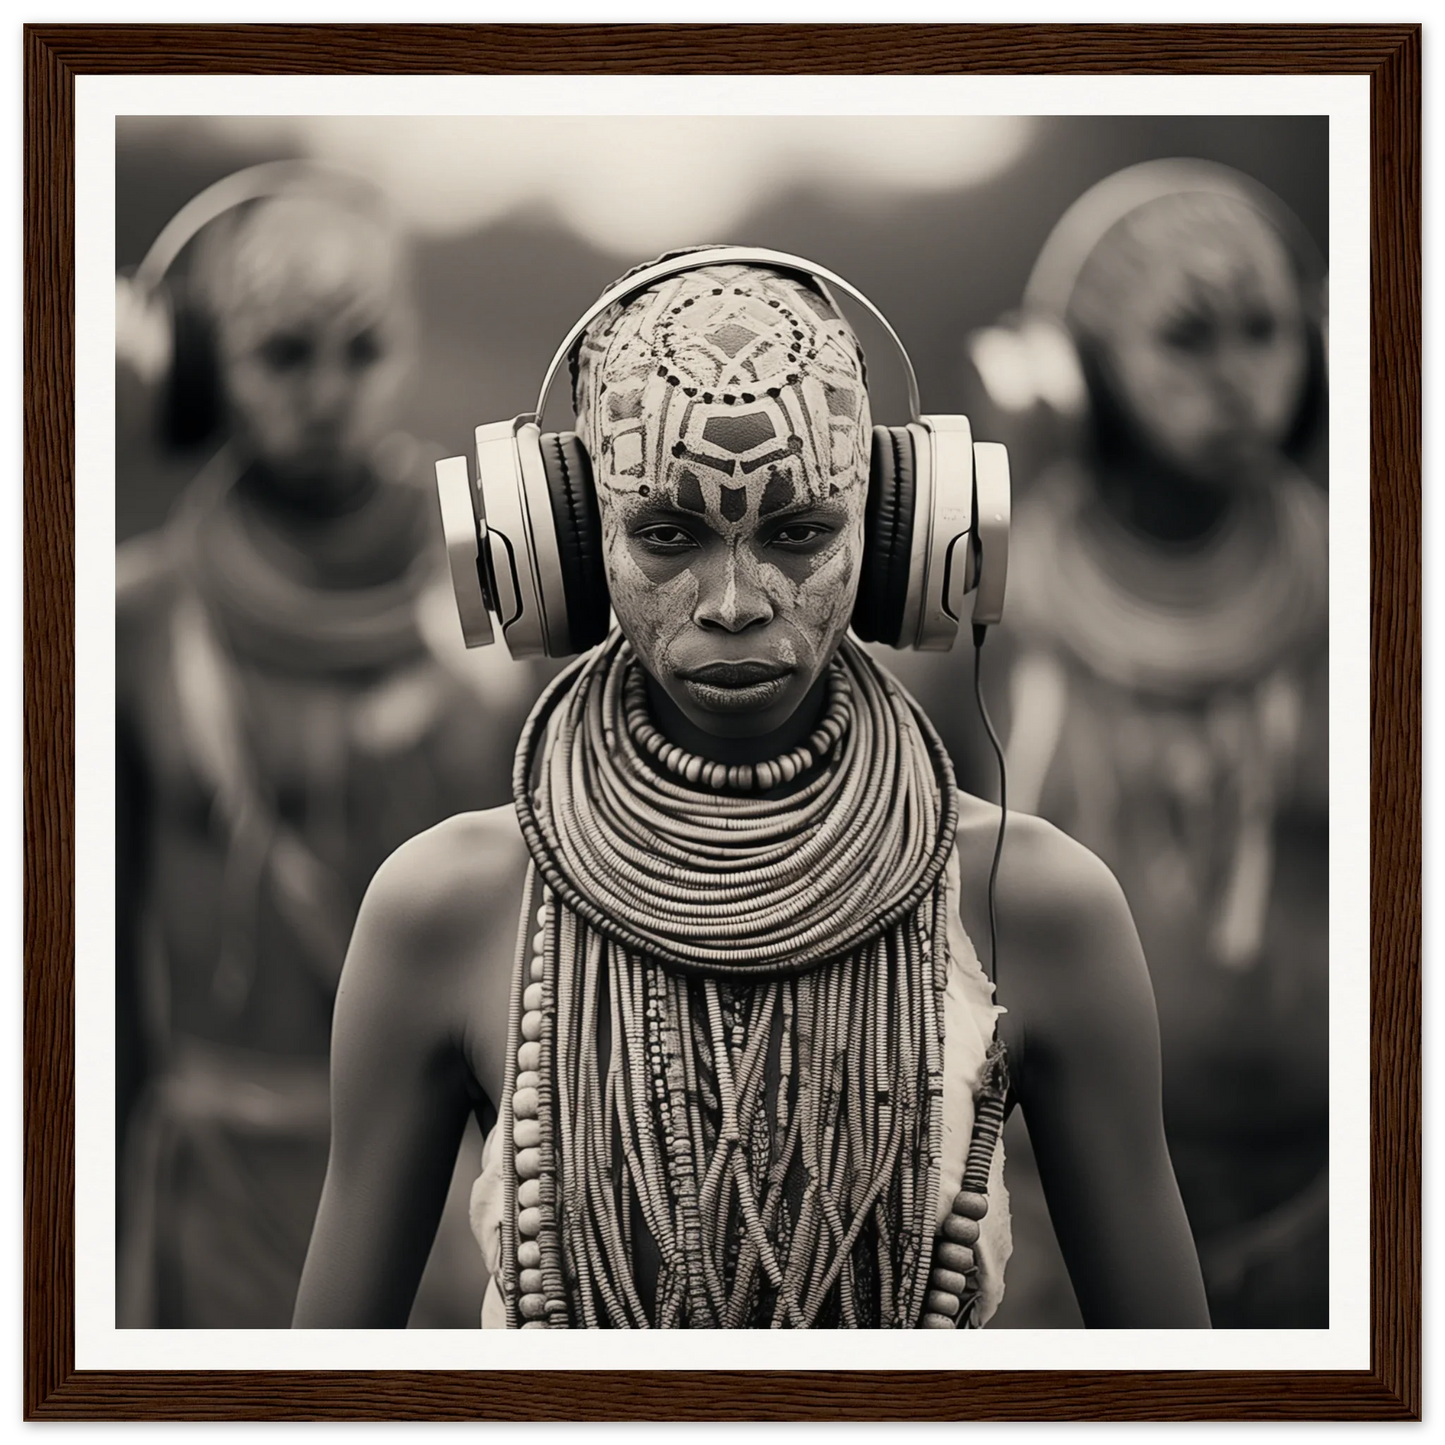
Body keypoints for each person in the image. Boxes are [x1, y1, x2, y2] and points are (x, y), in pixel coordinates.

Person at [293, 251, 1211, 1329]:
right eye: (667, 535)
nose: (734, 600)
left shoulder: (1033, 901)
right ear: (566, 546)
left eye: (797, 532)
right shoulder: (445, 909)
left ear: (897, 532)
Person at [115, 170, 550, 1327]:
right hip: (225, 1195)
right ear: (197, 367)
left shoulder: (509, 598)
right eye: (283, 354)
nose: (327, 392)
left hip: (478, 1184)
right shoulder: (135, 621)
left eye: (361, 351)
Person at [904, 162, 1330, 1328]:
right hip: (1032, 1214)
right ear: (1065, 377)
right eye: (1187, 339)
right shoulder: (973, 599)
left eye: (1267, 330)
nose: (1240, 376)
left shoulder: (1374, 591)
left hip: (1339, 1202)